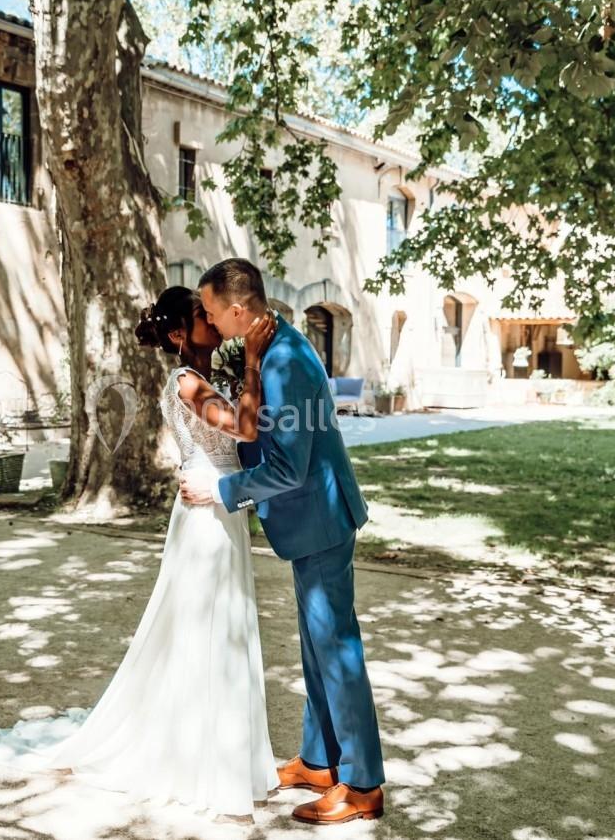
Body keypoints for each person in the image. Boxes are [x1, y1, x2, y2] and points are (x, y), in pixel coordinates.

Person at [0, 285, 279, 818]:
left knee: (226, 628)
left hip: (222, 504)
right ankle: (195, 762)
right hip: (204, 513)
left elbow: (250, 436)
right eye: (202, 316)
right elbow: (246, 428)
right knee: (202, 631)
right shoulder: (185, 383)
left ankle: (221, 754)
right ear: (179, 333)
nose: (212, 321)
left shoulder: (209, 378)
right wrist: (252, 360)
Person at [180, 257, 385, 825]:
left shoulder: (285, 360)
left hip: (318, 518)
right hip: (310, 523)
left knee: (337, 650)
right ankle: (320, 761)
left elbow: (289, 468)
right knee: (317, 648)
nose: (212, 322)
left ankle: (363, 783)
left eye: (216, 312)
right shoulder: (272, 348)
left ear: (240, 310)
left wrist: (223, 489)